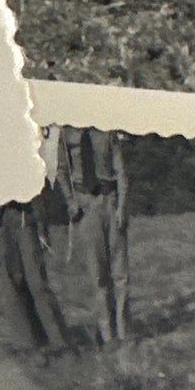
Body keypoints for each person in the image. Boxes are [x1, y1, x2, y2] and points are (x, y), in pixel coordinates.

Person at [53, 125, 130, 346]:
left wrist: (121, 207)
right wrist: (70, 201)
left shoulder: (106, 131)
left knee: (120, 273)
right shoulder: (67, 134)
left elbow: (121, 171)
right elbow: (61, 171)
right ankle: (107, 335)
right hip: (86, 204)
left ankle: (124, 331)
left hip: (109, 201)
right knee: (98, 274)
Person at [0, 197, 70, 353]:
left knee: (38, 282)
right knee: (12, 285)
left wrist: (41, 226)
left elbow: (36, 187)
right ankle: (27, 344)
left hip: (24, 216)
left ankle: (60, 341)